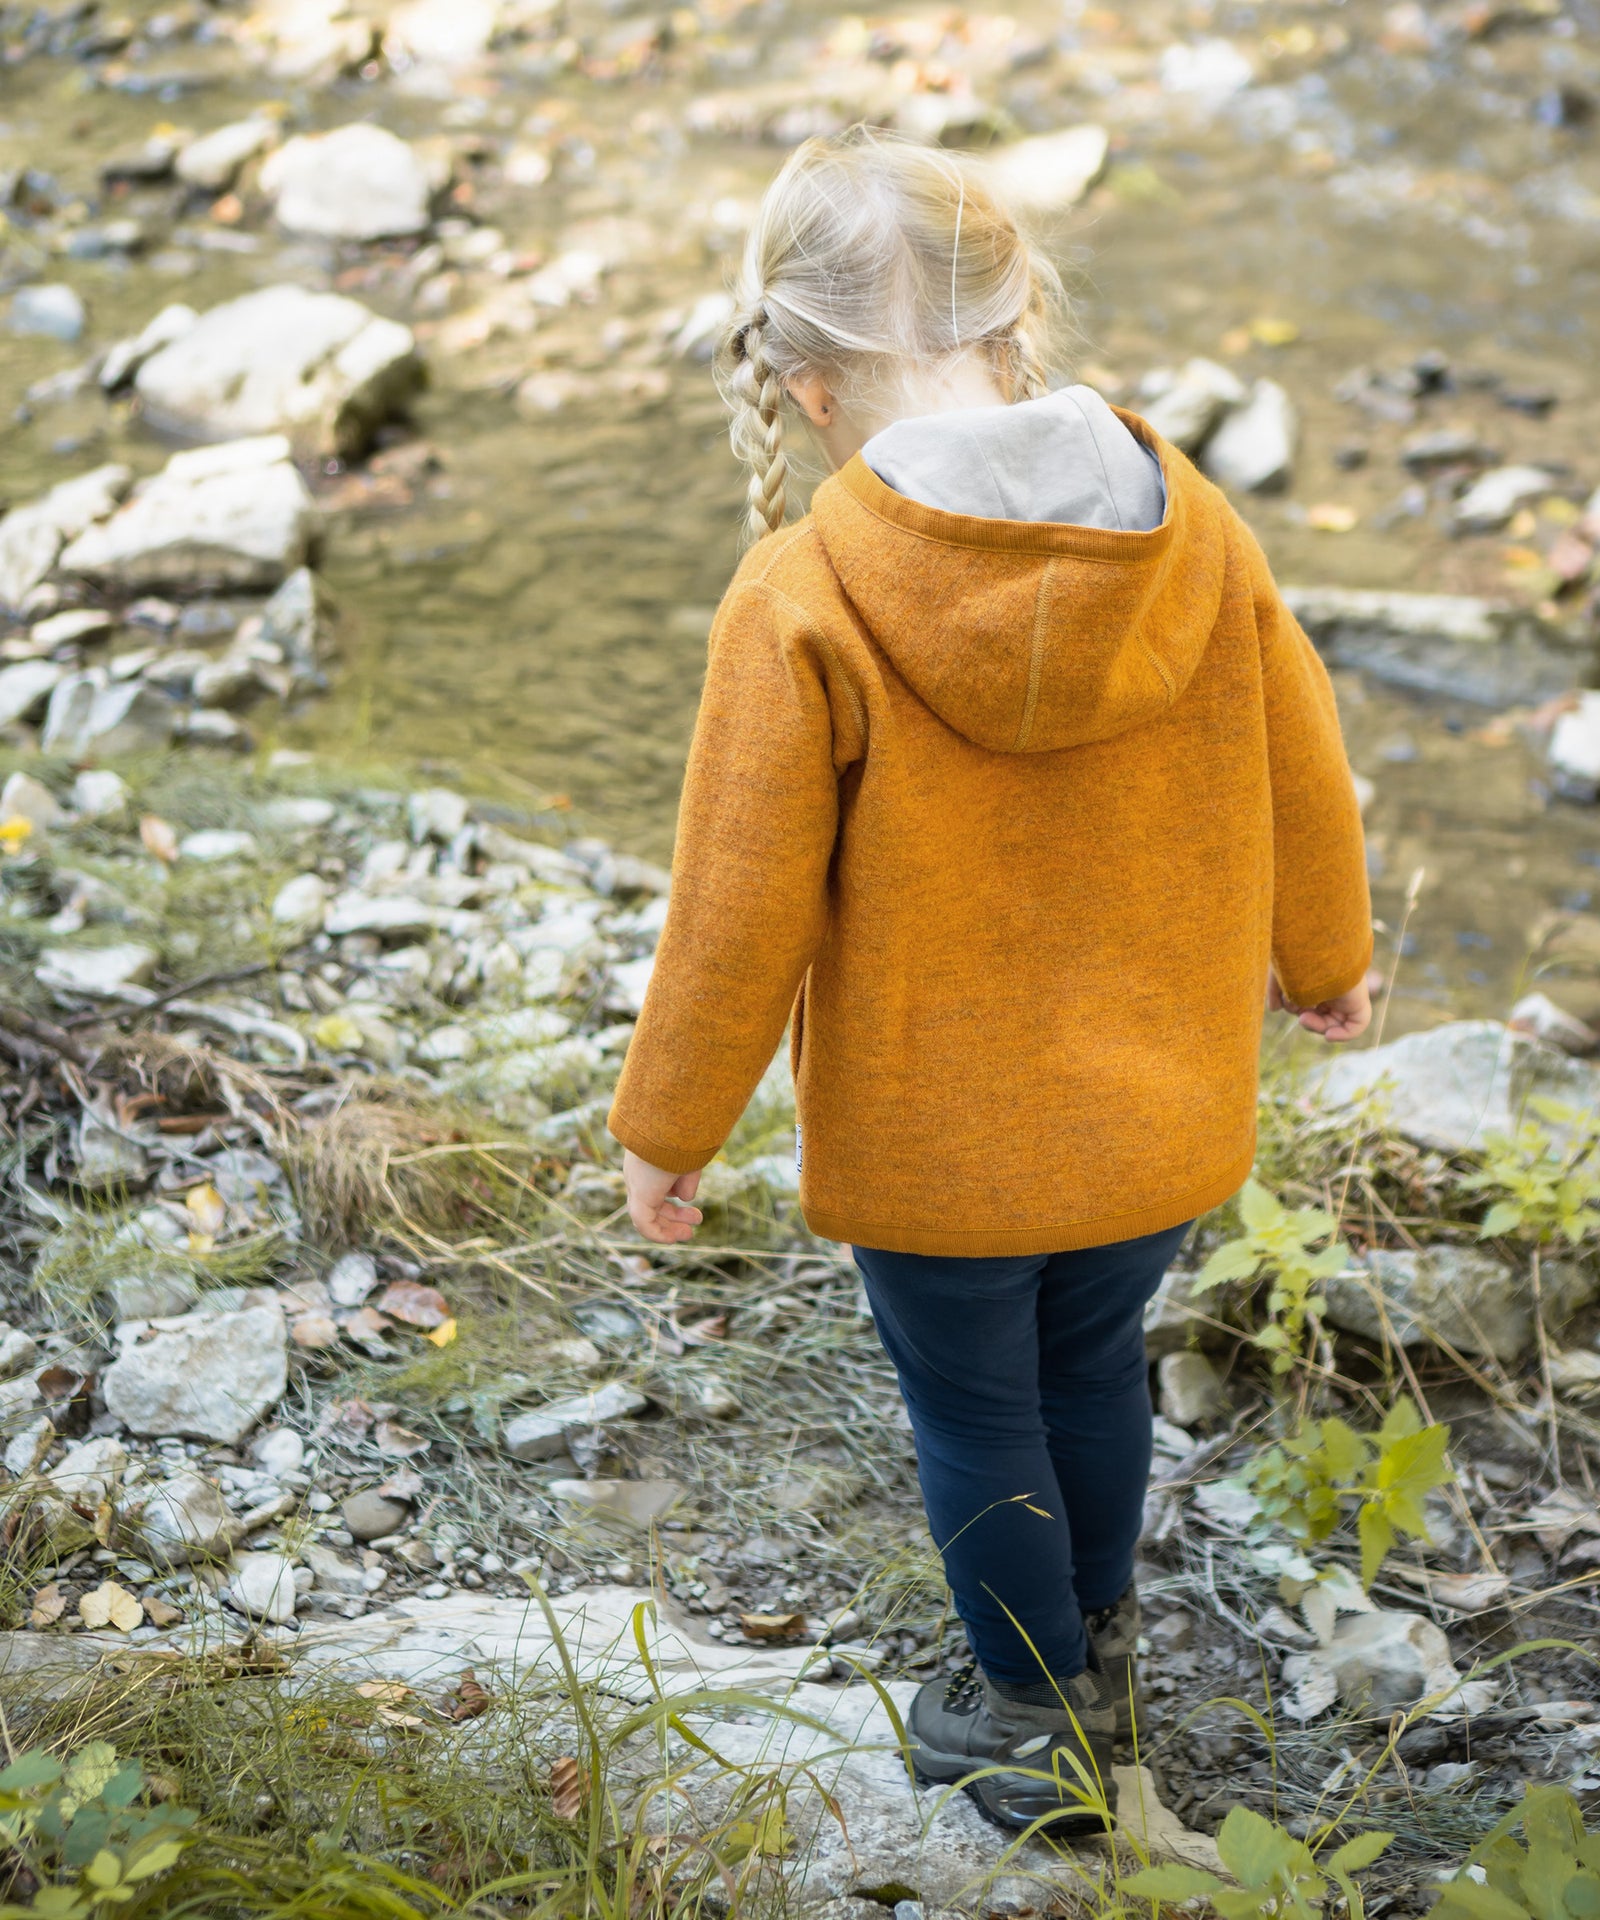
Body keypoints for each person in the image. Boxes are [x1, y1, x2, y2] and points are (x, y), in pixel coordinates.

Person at [606, 126, 1372, 1834]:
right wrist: (1329, 962)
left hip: (936, 1140)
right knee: (1092, 1370)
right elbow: (1303, 763)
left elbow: (735, 910)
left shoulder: (802, 593)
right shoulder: (1192, 526)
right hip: (1157, 1114)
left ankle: (1028, 1710)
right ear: (1020, 318)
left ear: (803, 387)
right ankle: (1091, 1654)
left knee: (973, 1405)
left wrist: (672, 1125)